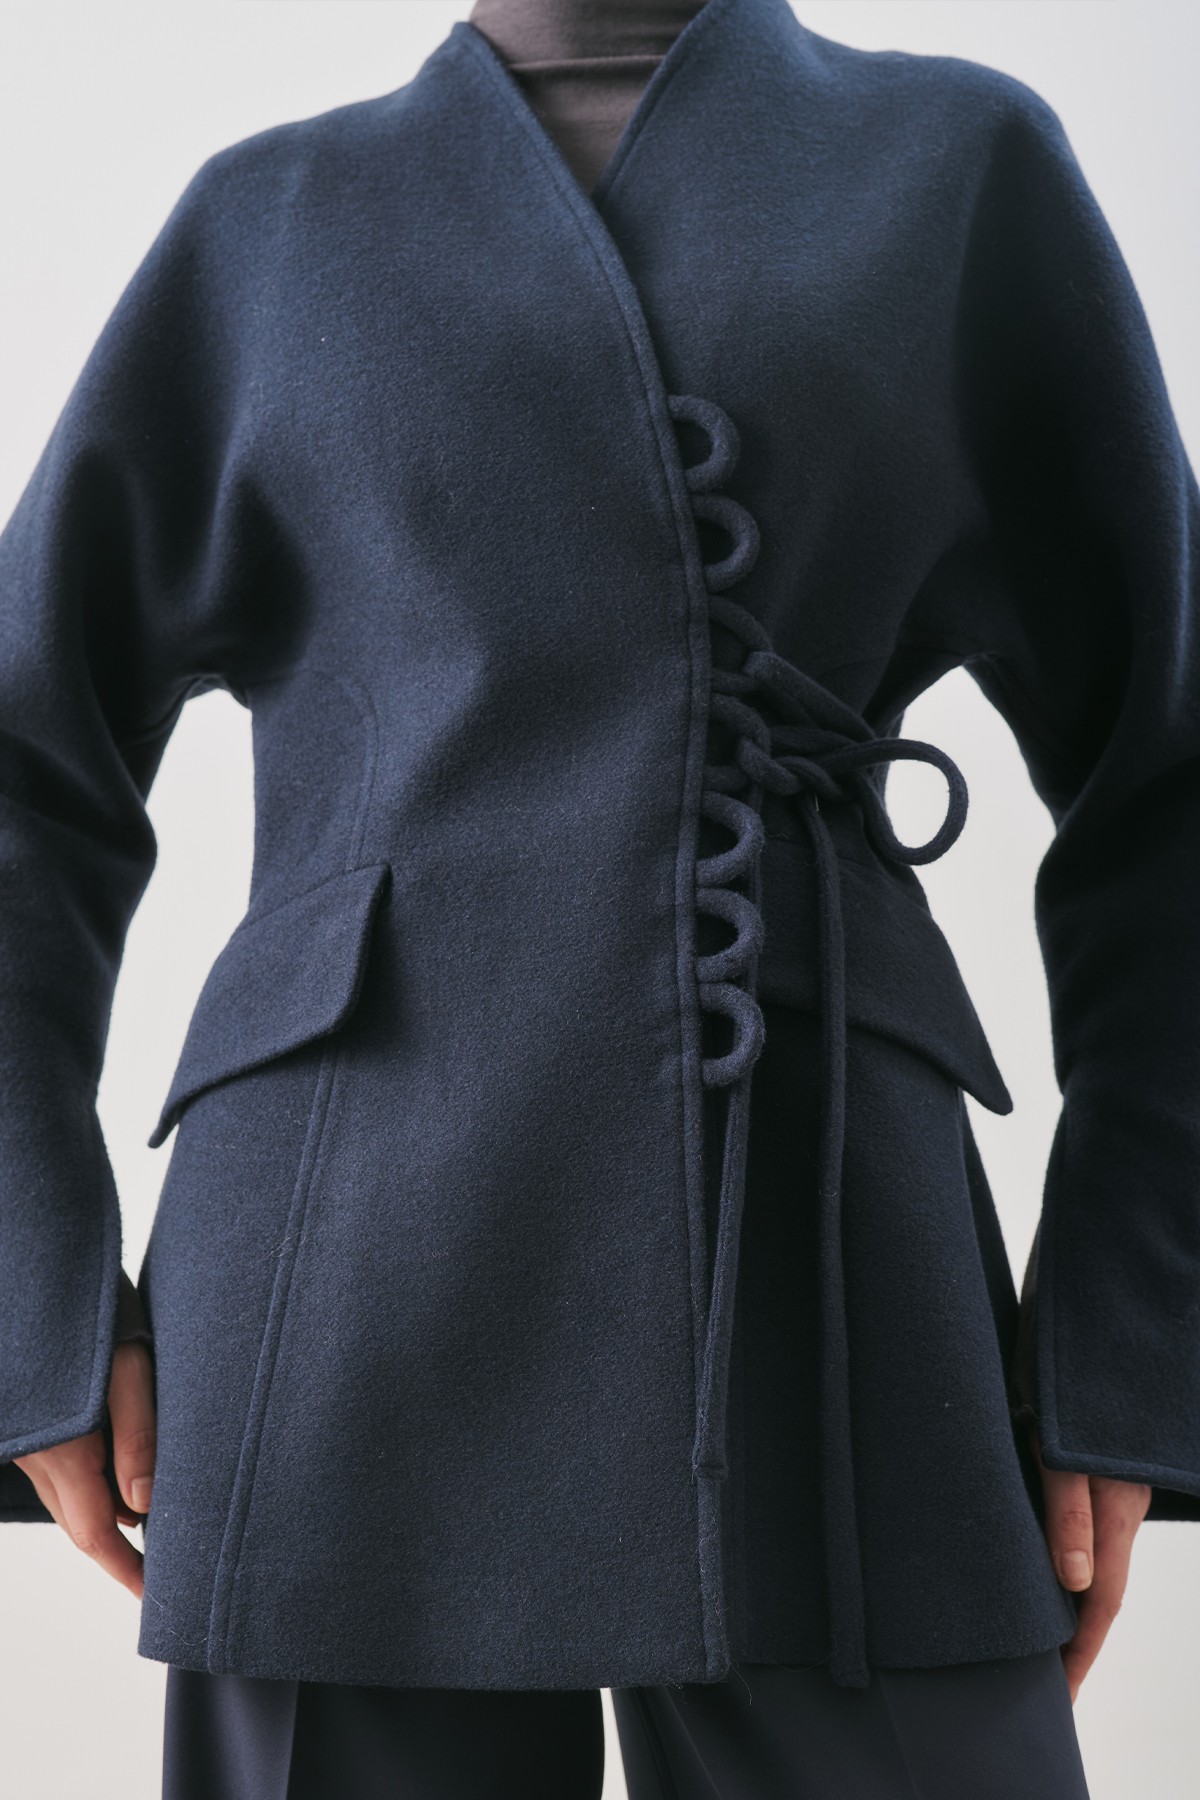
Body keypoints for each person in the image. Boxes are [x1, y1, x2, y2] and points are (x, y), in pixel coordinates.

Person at [2, 1, 1195, 1793]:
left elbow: (1168, 781)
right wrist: (31, 1286)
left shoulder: (958, 170)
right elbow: (26, 770)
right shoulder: (270, 217)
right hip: (342, 1275)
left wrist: (1127, 1323)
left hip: (828, 1254)